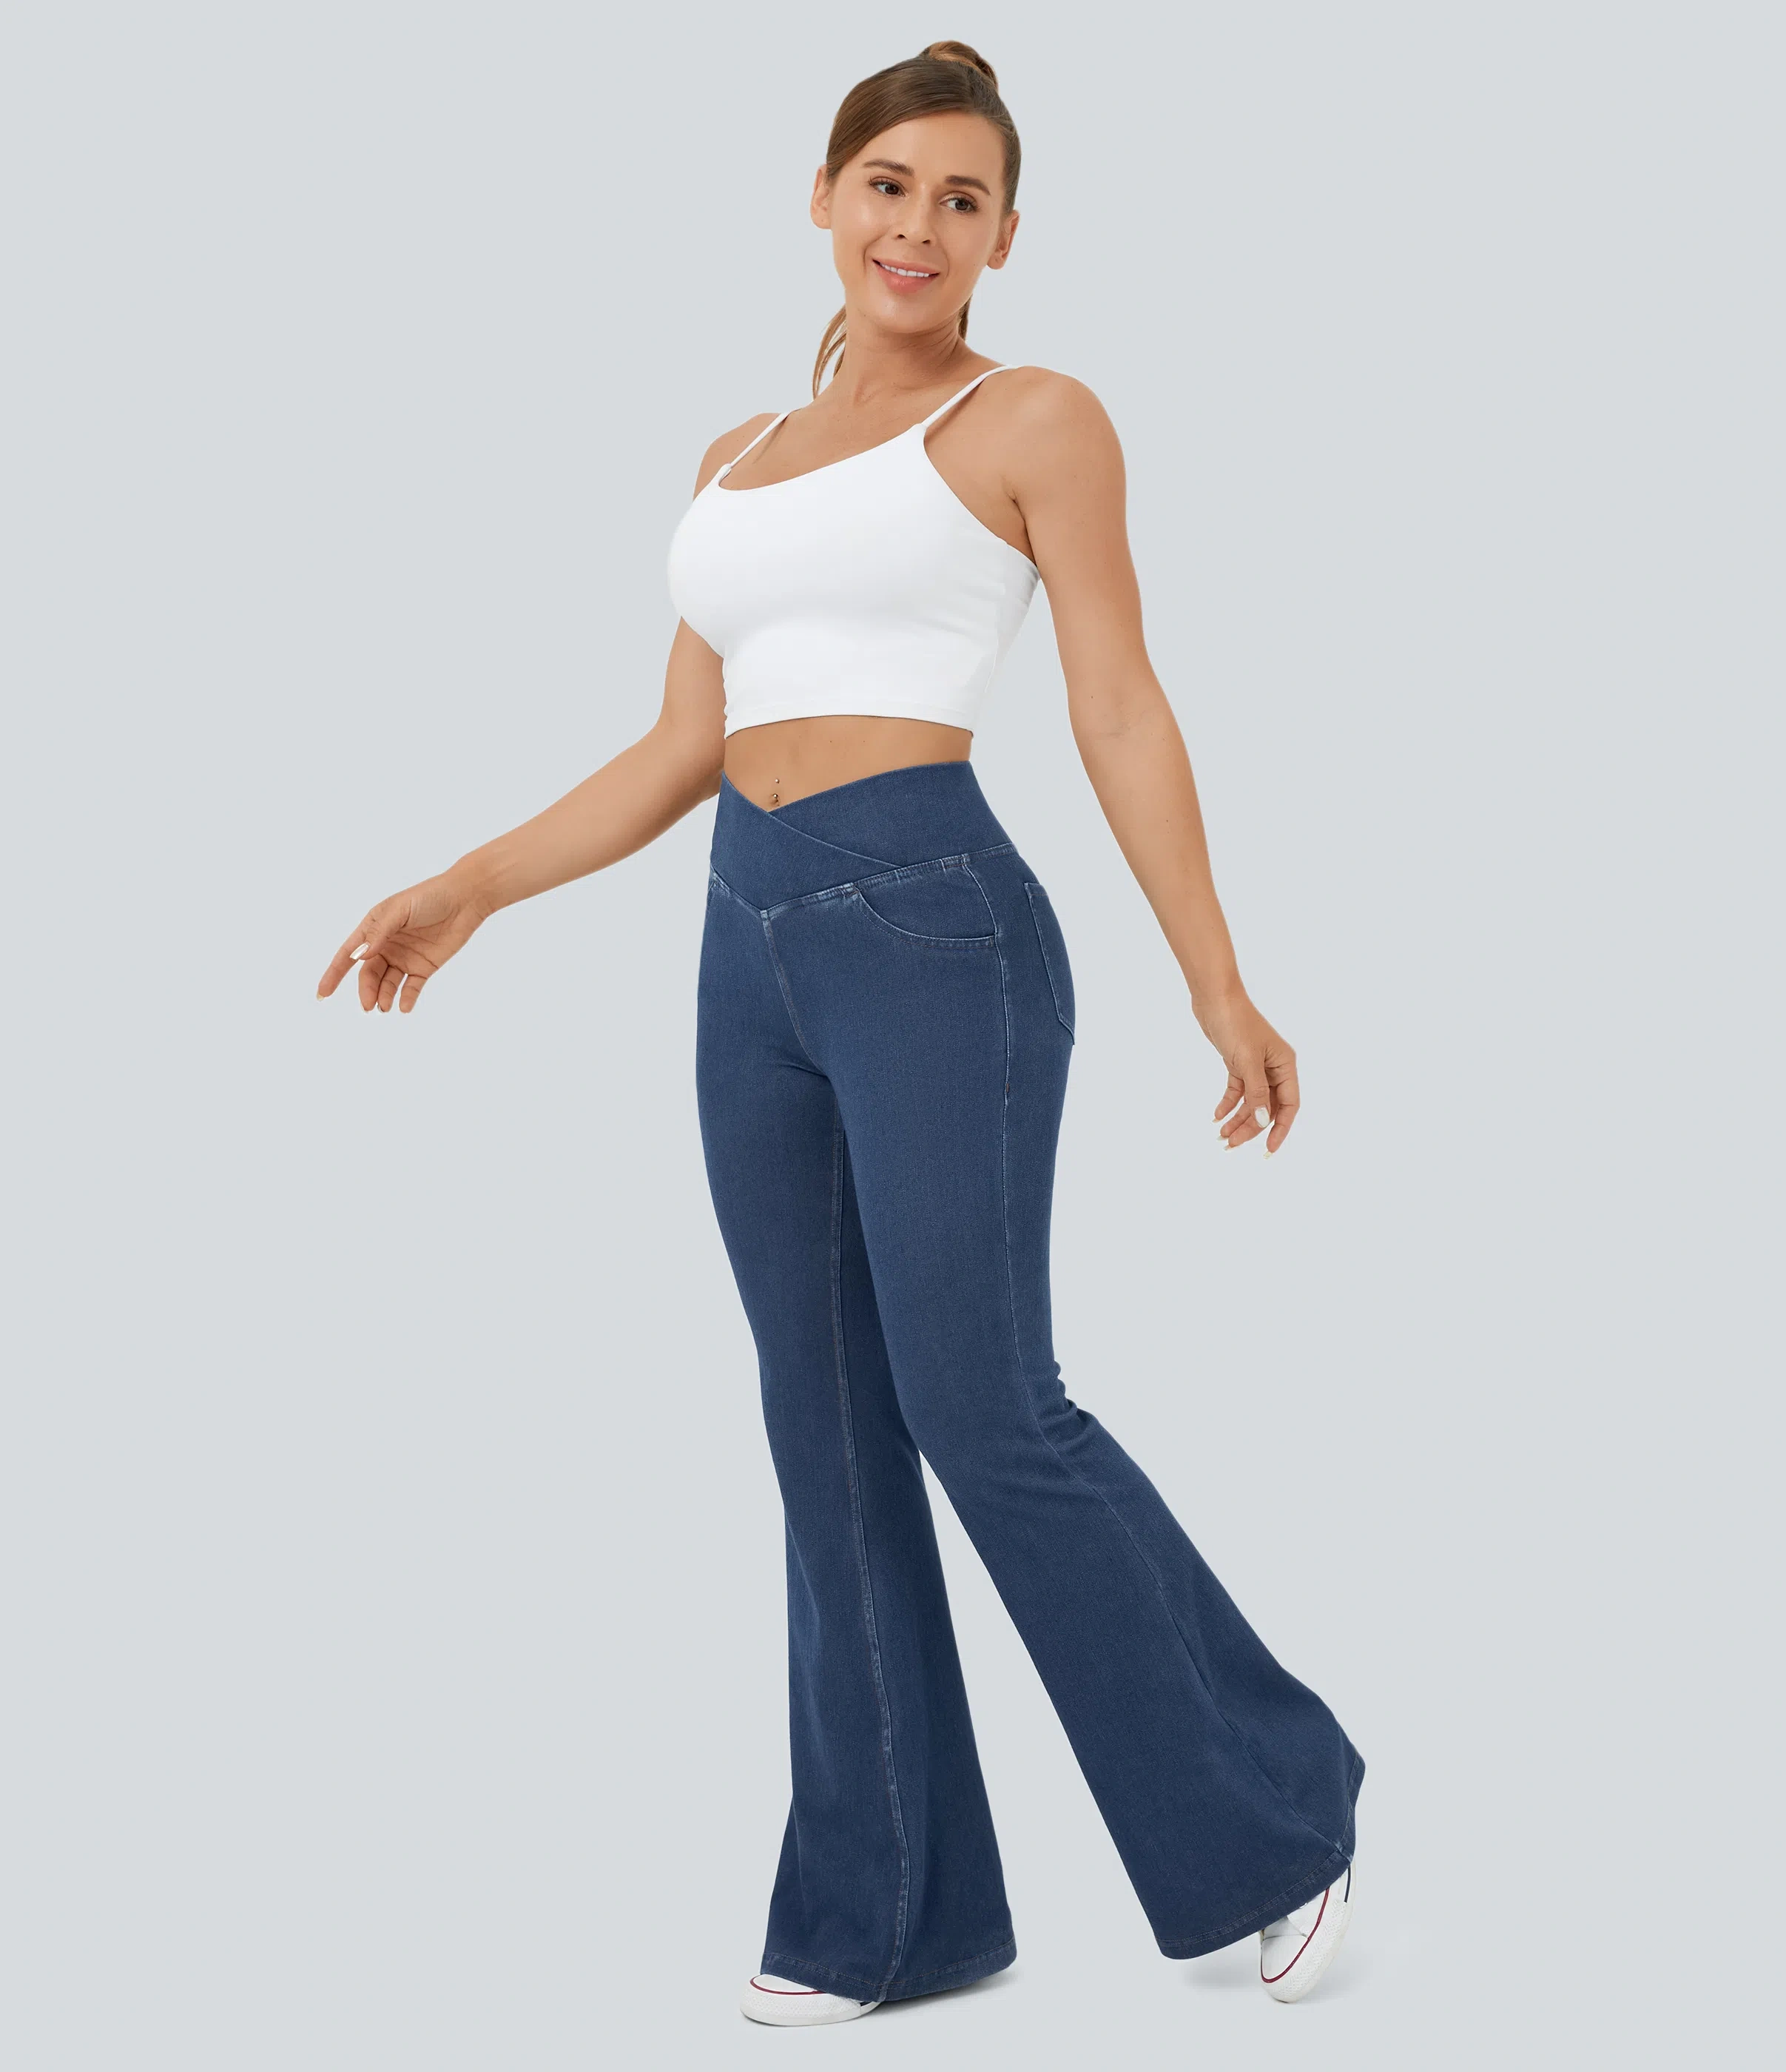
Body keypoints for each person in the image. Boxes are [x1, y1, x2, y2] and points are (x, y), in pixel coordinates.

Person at [316, 39, 1363, 2025]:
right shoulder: (736, 456)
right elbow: (679, 745)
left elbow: (1117, 705)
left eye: (962, 199)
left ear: (1006, 237)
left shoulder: (1031, 418)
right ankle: (888, 1917)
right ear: (823, 198)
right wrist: (472, 883)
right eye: (889, 184)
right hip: (750, 946)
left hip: (934, 926)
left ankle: (1272, 1819)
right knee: (824, 1428)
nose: (918, 226)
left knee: (985, 1406)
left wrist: (1215, 980)